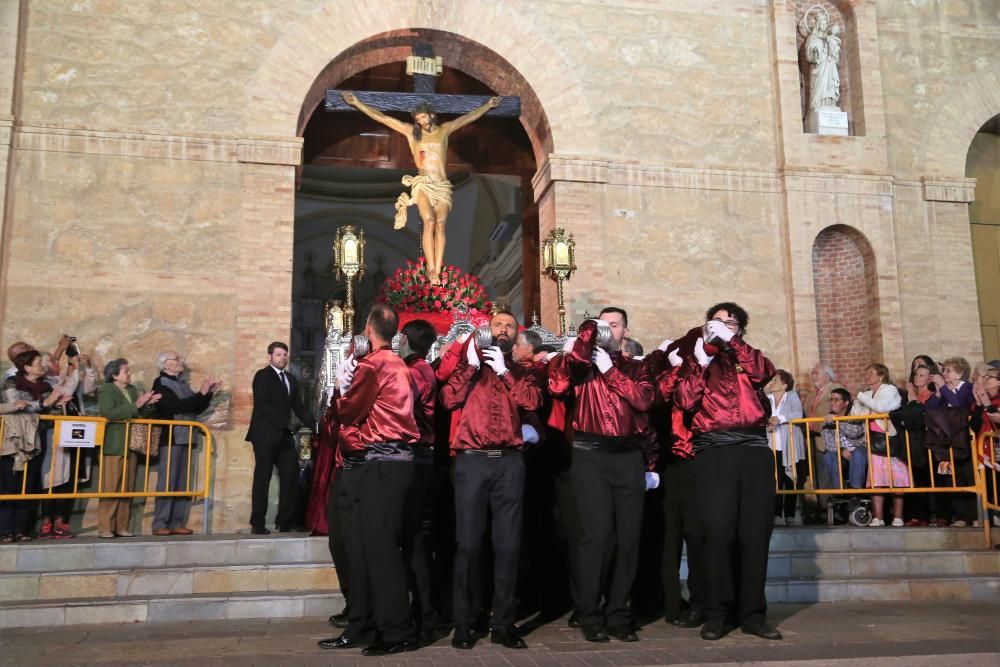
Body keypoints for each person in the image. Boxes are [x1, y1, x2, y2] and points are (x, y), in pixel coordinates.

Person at [549, 307, 656, 643]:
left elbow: (643, 401)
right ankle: (589, 612)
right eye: (602, 326)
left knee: (628, 538)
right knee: (596, 537)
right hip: (590, 456)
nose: (608, 331)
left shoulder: (638, 368)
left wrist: (612, 372)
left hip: (627, 457)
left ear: (625, 331)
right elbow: (556, 385)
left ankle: (618, 613)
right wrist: (584, 339)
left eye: (614, 325)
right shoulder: (580, 367)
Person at [673, 302, 780, 641]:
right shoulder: (696, 361)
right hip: (713, 452)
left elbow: (765, 372)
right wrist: (702, 360)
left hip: (752, 451)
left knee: (754, 534)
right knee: (717, 534)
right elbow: (685, 400)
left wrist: (732, 342)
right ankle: (717, 613)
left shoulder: (748, 356)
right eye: (715, 321)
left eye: (729, 322)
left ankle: (753, 614)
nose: (720, 326)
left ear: (740, 330)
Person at [319, 304, 420, 656]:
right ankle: (363, 624)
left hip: (383, 462)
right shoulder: (398, 364)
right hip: (385, 464)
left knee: (378, 549)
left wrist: (341, 385)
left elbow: (348, 412)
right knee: (362, 547)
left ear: (368, 328)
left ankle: (396, 630)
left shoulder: (376, 365)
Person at [441, 310, 544, 650]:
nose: (502, 330)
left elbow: (532, 401)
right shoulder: (469, 369)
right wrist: (471, 365)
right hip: (472, 463)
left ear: (516, 334)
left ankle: (503, 623)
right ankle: (465, 623)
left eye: (509, 326)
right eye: (497, 325)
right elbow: (447, 398)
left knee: (508, 546)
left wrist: (506, 372)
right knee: (468, 545)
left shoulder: (521, 371)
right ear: (487, 331)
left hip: (509, 464)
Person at [340, 91, 500, 285]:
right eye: (418, 119)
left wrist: (488, 106)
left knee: (441, 224)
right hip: (423, 184)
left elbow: (467, 118)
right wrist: (357, 103)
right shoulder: (411, 133)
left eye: (423, 117)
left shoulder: (444, 130)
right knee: (429, 221)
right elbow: (383, 118)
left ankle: (438, 268)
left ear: (432, 115)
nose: (421, 121)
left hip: (441, 185)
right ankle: (431, 269)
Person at [398, 319, 443, 643]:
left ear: (405, 339)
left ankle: (425, 615)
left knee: (413, 540)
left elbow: (402, 411)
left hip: (416, 457)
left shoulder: (415, 371)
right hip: (419, 456)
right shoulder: (421, 368)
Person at [1, 350, 71, 542]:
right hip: (14, 440)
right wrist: (45, 403)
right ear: (27, 367)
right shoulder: (12, 383)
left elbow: (49, 408)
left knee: (29, 485)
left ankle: (22, 529)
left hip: (37, 439)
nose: (43, 366)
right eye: (39, 362)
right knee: (10, 485)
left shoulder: (45, 385)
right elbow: (17, 404)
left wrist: (58, 404)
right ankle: (6, 530)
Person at [150, 351, 221, 536]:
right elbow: (175, 406)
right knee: (168, 481)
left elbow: (196, 407)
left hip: (186, 437)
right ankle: (160, 522)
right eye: (176, 359)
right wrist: (201, 393)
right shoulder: (161, 383)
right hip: (171, 437)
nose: (180, 362)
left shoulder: (182, 384)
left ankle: (176, 521)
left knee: (182, 481)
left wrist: (207, 394)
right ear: (166, 364)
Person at [245, 342, 312, 535]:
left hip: (284, 437)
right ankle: (257, 523)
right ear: (270, 357)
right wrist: (285, 424)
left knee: (290, 475)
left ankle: (285, 522)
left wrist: (315, 425)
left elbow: (298, 407)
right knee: (262, 478)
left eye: (284, 355)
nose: (282, 358)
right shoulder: (262, 376)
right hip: (264, 436)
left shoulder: (290, 378)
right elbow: (262, 406)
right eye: (278, 355)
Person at [96, 358, 161, 538]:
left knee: (126, 486)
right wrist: (137, 404)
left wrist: (148, 404)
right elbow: (109, 412)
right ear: (115, 375)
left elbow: (137, 413)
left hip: (131, 444)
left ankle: (121, 525)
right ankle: (105, 527)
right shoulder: (106, 389)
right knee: (110, 486)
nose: (129, 373)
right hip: (114, 443)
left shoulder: (132, 390)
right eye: (126, 371)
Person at [850, 363, 904, 527]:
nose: (867, 376)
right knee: (876, 479)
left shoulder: (889, 390)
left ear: (881, 376)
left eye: (870, 373)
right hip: (872, 440)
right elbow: (856, 416)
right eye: (866, 373)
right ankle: (878, 517)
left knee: (897, 479)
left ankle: (898, 516)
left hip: (889, 439)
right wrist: (856, 401)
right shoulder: (866, 394)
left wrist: (860, 396)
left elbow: (881, 408)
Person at [926, 356, 977, 526]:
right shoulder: (944, 389)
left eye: (948, 370)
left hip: (965, 440)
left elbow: (959, 405)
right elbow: (930, 409)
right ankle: (960, 515)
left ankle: (975, 515)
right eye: (944, 370)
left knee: (967, 475)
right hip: (947, 440)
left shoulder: (968, 388)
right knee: (952, 477)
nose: (944, 374)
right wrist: (939, 393)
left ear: (960, 373)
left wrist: (943, 387)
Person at [802, 364, 844, 519]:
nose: (813, 376)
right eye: (812, 373)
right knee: (816, 474)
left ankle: (831, 509)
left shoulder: (836, 388)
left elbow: (842, 406)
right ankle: (819, 507)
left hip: (827, 437)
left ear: (827, 375)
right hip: (811, 437)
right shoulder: (812, 394)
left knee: (828, 473)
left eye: (816, 373)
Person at [766, 370, 808, 526]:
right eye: (772, 380)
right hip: (772, 444)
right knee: (776, 480)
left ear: (785, 385)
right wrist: (767, 424)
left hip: (789, 443)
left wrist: (780, 419)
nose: (772, 383)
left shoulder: (791, 396)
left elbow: (797, 414)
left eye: (775, 380)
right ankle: (777, 514)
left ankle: (790, 514)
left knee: (791, 479)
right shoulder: (766, 399)